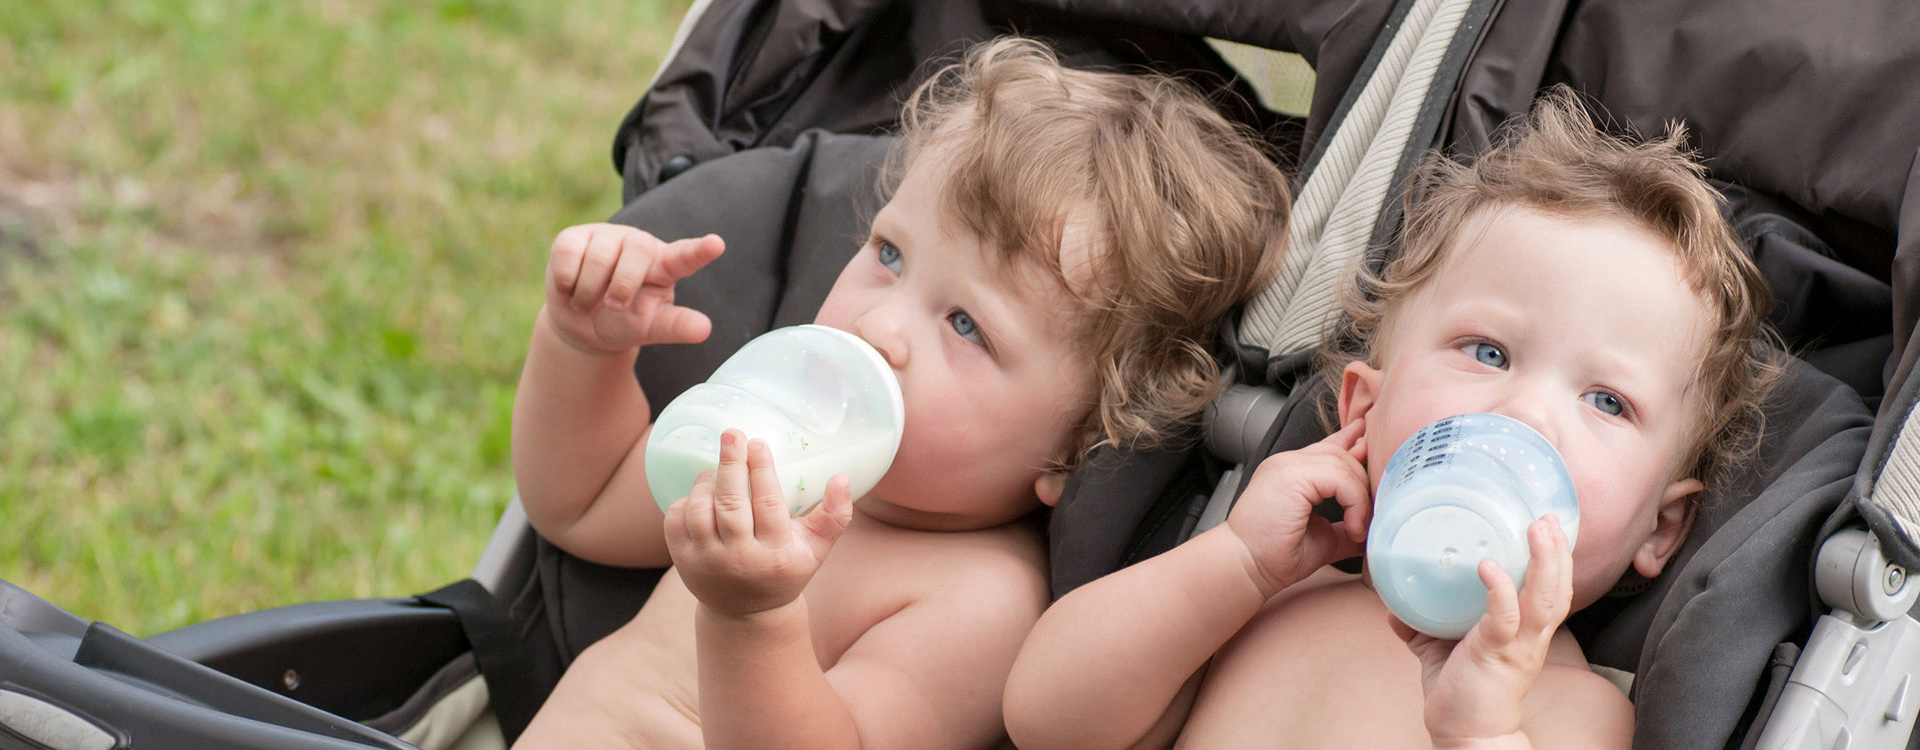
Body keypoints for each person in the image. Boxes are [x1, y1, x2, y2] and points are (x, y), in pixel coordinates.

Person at [507, 37, 1288, 749]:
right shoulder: (768, 446)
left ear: (1074, 446)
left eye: (967, 325)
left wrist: (754, 617)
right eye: (888, 254)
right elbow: (582, 502)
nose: (882, 327)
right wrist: (582, 346)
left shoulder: (976, 599)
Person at [1003, 88, 1785, 749]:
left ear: (1661, 530)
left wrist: (1480, 731)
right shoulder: (1266, 605)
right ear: (1364, 413)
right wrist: (1240, 562)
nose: (1525, 413)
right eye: (1486, 352)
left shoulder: (1573, 711)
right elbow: (1046, 721)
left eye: (1607, 401)